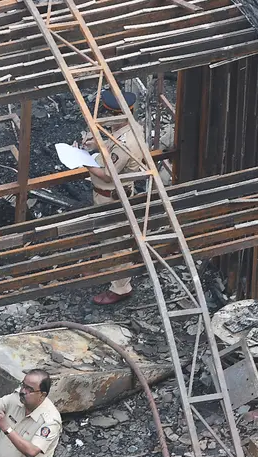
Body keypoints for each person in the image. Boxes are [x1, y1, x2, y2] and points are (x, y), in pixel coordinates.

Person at [82, 89, 144, 306]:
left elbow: (109, 176)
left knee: (116, 241)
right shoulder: (126, 129)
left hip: (113, 197)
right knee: (106, 237)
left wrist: (85, 161)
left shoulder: (124, 143)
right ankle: (109, 271)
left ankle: (121, 287)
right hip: (107, 197)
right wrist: (96, 145)